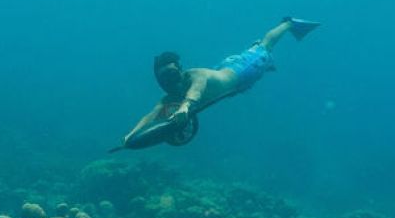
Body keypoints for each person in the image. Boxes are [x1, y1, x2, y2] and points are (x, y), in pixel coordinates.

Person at [120, 16, 319, 147]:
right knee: (254, 64)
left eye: (172, 74)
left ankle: (289, 23)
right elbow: (151, 116)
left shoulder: (196, 76)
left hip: (242, 71)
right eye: (164, 77)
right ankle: (261, 57)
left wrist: (185, 107)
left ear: (180, 70)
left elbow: (195, 92)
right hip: (229, 77)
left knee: (266, 47)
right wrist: (131, 134)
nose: (170, 81)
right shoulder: (169, 97)